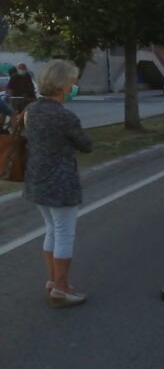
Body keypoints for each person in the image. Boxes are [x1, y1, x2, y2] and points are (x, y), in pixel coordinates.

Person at [24, 60, 93, 307]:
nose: (74, 87)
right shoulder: (64, 116)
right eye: (72, 82)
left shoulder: (31, 110)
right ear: (62, 85)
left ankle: (53, 281)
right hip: (61, 182)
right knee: (64, 233)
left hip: (36, 179)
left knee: (52, 230)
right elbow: (86, 145)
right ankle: (62, 290)